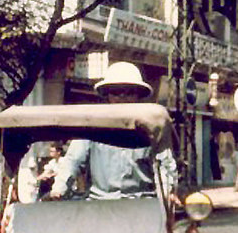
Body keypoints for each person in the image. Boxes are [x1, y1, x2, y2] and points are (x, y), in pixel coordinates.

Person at [49, 61, 176, 200]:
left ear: (138, 95)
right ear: (107, 96)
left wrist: (167, 194)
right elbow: (73, 161)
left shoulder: (150, 128)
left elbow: (164, 165)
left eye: (129, 93)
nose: (122, 98)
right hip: (100, 204)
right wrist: (59, 189)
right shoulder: (92, 126)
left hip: (142, 203)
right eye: (116, 93)